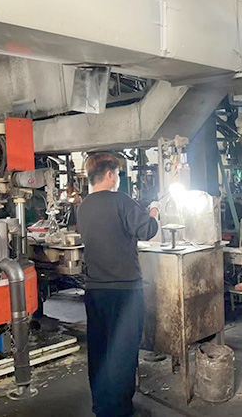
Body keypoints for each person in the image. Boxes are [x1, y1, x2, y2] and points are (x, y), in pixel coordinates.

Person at [76, 152, 159, 417]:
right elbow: (147, 230)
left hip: (95, 289)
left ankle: (102, 406)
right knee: (123, 350)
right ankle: (120, 409)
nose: (119, 179)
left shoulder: (83, 207)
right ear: (110, 175)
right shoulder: (121, 201)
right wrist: (154, 211)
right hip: (124, 290)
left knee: (100, 348)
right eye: (118, 174)